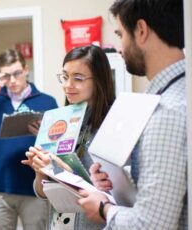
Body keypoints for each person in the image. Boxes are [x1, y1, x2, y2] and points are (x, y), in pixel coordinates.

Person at [77, 0, 187, 229]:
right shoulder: (180, 94)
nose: (119, 47)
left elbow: (151, 225)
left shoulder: (166, 113)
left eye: (120, 35)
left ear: (141, 30)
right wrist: (124, 179)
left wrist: (103, 208)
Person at [0, 49, 58, 230]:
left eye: (17, 74)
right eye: (6, 76)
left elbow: (59, 145)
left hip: (34, 186)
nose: (12, 81)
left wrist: (41, 136)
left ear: (26, 70)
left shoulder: (47, 102)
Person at [22, 45, 115, 230]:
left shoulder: (111, 127)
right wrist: (41, 171)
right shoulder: (59, 121)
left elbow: (116, 197)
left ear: (99, 80)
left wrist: (60, 169)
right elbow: (42, 192)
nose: (67, 85)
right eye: (65, 77)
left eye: (78, 78)